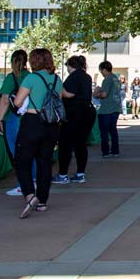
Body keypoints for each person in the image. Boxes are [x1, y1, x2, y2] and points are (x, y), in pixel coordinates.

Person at [12, 48, 68, 218]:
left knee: (22, 160)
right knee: (45, 162)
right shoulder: (57, 79)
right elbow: (58, 99)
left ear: (34, 61)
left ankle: (30, 195)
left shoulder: (31, 78)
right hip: (51, 126)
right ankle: (42, 201)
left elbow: (17, 101)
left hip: (32, 122)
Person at [0, 49, 34, 197]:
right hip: (31, 117)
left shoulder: (11, 78)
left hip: (15, 118)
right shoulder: (31, 77)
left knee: (17, 153)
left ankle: (22, 185)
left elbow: (5, 100)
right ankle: (34, 180)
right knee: (31, 151)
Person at [56, 55, 96, 184]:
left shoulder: (73, 77)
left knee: (65, 143)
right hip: (88, 111)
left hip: (75, 112)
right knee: (81, 143)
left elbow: (69, 94)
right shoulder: (86, 76)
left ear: (70, 65)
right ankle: (80, 174)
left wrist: (59, 87)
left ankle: (62, 175)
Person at [93, 60, 122, 157]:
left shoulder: (107, 79)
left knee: (104, 131)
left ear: (104, 69)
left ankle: (105, 151)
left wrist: (96, 93)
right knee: (113, 130)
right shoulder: (116, 79)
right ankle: (115, 150)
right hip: (116, 107)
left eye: (101, 70)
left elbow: (104, 94)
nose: (101, 73)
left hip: (106, 109)